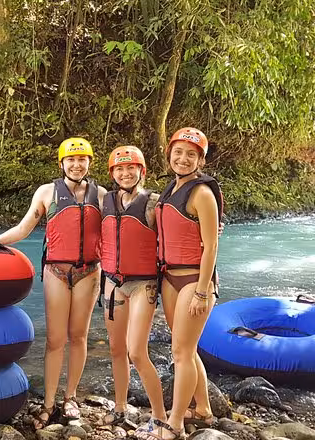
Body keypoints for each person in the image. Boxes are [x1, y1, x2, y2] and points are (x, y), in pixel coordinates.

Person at [0, 137, 107, 429]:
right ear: (62, 163)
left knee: (79, 336)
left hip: (89, 272)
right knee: (56, 339)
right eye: (71, 160)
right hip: (56, 271)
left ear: (89, 163)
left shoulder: (102, 195)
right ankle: (49, 402)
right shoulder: (46, 192)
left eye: (82, 160)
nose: (77, 164)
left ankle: (70, 398)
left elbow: (125, 223)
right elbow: (23, 228)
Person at [144, 128, 223, 440]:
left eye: (191, 154)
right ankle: (203, 409)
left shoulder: (202, 193)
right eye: (178, 152)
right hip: (169, 277)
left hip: (194, 279)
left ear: (200, 160)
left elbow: (212, 246)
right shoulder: (170, 189)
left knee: (180, 351)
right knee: (187, 350)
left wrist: (203, 290)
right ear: (169, 154)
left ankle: (175, 422)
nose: (183, 158)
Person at [98, 146, 167, 432]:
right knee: (117, 350)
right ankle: (120, 407)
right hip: (113, 283)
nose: (125, 173)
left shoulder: (153, 203)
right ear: (113, 173)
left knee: (137, 352)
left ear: (142, 171)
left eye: (131, 168)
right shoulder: (105, 201)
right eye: (119, 169)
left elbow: (178, 230)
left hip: (143, 284)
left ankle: (161, 416)